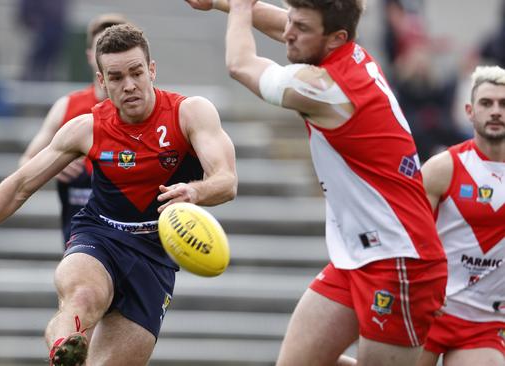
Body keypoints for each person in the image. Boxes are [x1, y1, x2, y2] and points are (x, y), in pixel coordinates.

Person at [0, 24, 237, 366]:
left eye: (136, 73)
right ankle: (66, 347)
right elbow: (21, 184)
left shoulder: (189, 113)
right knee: (82, 296)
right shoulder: (87, 127)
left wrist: (195, 190)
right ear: (101, 81)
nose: (129, 85)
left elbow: (227, 181)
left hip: (156, 256)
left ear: (152, 70)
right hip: (101, 235)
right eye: (116, 77)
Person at [185, 0, 447, 365]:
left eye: (303, 28)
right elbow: (288, 28)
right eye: (293, 20)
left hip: (399, 262)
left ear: (336, 37)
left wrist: (243, 4)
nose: (289, 32)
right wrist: (221, 3)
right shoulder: (345, 51)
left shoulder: (328, 88)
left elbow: (240, 65)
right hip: (357, 256)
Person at [416, 65, 505, 366]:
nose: (496, 111)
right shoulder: (443, 167)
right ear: (469, 111)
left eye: (504, 104)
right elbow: (409, 240)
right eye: (486, 103)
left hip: (483, 323)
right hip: (429, 313)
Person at [19, 13, 128, 246]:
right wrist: (54, 168)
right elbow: (26, 162)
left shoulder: (143, 111)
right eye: (103, 46)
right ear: (90, 56)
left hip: (131, 240)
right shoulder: (67, 106)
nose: (110, 53)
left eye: (118, 47)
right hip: (78, 238)